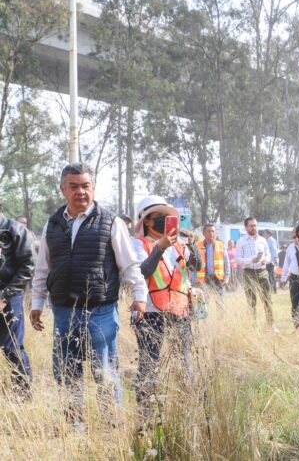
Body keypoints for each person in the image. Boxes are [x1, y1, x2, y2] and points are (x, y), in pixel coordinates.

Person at [30, 163, 147, 427]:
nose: (80, 192)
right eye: (74, 187)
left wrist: (139, 295)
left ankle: (111, 428)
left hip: (100, 312)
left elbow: (128, 265)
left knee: (104, 372)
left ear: (93, 188)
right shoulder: (53, 224)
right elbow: (43, 268)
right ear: (63, 190)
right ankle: (76, 428)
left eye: (85, 186)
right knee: (66, 373)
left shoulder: (111, 222)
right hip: (62, 312)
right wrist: (37, 303)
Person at [131, 196, 202, 418]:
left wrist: (193, 246)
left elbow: (196, 266)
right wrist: (159, 248)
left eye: (167, 217)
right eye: (159, 217)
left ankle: (185, 405)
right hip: (151, 312)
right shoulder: (139, 244)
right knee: (149, 363)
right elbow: (142, 272)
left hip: (180, 311)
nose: (164, 221)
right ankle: (146, 412)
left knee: (184, 360)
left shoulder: (179, 244)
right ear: (147, 222)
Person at [0, 205, 35, 396]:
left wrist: (4, 296)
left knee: (11, 348)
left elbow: (28, 265)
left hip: (9, 296)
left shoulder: (16, 230)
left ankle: (23, 396)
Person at [235, 217, 274, 327]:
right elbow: (238, 259)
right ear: (246, 227)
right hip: (249, 272)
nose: (254, 228)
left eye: (255, 225)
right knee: (251, 301)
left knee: (267, 299)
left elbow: (268, 254)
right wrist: (250, 260)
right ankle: (253, 325)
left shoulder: (262, 240)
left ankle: (270, 325)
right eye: (251, 225)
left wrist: (266, 259)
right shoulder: (241, 241)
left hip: (262, 271)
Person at [196, 224, 231, 301]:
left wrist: (227, 278)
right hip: (204, 279)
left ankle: (220, 314)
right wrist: (194, 279)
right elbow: (192, 265)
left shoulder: (221, 245)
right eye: (208, 231)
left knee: (220, 303)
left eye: (213, 231)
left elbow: (227, 263)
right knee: (204, 303)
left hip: (218, 278)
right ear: (203, 233)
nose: (211, 233)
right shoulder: (198, 246)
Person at [280, 234, 299, 327]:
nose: (296, 239)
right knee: (295, 302)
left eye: (298, 237)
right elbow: (286, 264)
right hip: (294, 278)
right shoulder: (290, 248)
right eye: (294, 237)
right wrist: (283, 278)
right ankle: (297, 325)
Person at [261, 229, 279, 293]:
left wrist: (274, 261)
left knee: (270, 275)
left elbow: (274, 251)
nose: (263, 234)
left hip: (270, 261)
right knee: (269, 275)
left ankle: (272, 290)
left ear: (269, 234)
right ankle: (272, 290)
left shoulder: (272, 241)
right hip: (267, 261)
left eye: (264, 233)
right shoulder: (266, 240)